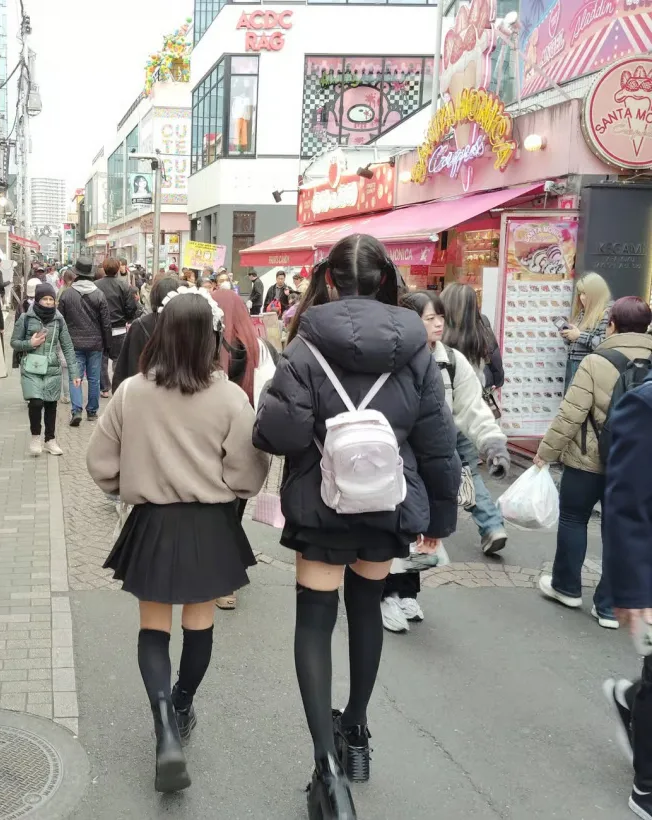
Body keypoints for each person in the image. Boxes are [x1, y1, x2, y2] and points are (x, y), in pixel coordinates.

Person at [252, 234, 459, 818]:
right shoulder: (418, 347)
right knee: (365, 610)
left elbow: (279, 434)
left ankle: (325, 768)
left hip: (322, 504)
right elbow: (437, 443)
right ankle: (359, 733)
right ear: (386, 282)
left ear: (333, 282)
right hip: (386, 504)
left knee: (315, 624)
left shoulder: (306, 345)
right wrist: (439, 517)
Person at [86, 289, 269, 794]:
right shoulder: (231, 397)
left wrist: (126, 485)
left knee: (153, 628)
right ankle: (183, 706)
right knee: (199, 625)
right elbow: (248, 472)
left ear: (162, 334)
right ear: (214, 340)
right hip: (210, 526)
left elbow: (100, 463)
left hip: (152, 523)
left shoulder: (131, 392)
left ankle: (163, 722)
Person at [381, 291, 509, 633]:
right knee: (398, 526)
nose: (438, 324)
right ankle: (385, 594)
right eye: (429, 318)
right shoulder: (391, 359)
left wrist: (493, 442)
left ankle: (407, 591)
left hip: (435, 458)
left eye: (440, 317)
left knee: (424, 528)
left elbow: (472, 406)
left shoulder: (452, 360)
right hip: (395, 458)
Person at [535, 296, 652, 630]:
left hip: (588, 459)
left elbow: (570, 414)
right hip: (637, 467)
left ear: (612, 324)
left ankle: (567, 588)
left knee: (573, 518)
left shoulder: (595, 361)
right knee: (619, 529)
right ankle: (608, 607)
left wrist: (547, 451)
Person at [600, 358, 652, 820]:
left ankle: (630, 698)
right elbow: (626, 502)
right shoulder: (645, 404)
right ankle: (647, 786)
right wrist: (634, 589)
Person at [211, 287, 279, 611]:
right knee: (233, 510)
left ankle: (223, 577)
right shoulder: (260, 348)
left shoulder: (205, 344)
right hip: (245, 437)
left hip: (209, 439)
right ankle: (227, 575)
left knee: (214, 511)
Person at [441, 283, 510, 556]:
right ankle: (492, 525)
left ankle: (420, 533)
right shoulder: (482, 334)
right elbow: (498, 373)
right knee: (467, 473)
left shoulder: (440, 339)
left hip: (443, 419)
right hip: (470, 419)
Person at [11, 283, 80, 456]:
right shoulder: (26, 318)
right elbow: (14, 342)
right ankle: (35, 438)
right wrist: (30, 343)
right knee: (35, 402)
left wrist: (74, 373)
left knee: (50, 404)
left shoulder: (59, 319)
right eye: (45, 299)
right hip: (31, 367)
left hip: (52, 367)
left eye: (51, 299)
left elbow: (68, 346)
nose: (48, 302)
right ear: (38, 299)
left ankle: (50, 440)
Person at [59, 257, 112, 426]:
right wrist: (108, 344)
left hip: (73, 344)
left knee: (75, 377)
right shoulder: (99, 295)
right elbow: (106, 323)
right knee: (94, 379)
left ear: (76, 274)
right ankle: (92, 411)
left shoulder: (67, 294)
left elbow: (60, 320)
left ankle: (76, 411)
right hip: (96, 343)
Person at [112, 276, 183, 391]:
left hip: (144, 390)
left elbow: (129, 362)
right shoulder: (186, 324)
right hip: (177, 390)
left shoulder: (140, 325)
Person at [97, 256, 140, 397]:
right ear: (117, 269)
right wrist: (126, 319)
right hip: (119, 328)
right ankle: (118, 386)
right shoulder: (124, 286)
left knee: (102, 359)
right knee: (119, 359)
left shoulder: (96, 285)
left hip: (100, 328)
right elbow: (131, 307)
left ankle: (104, 388)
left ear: (104, 268)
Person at [563, 272, 612, 386]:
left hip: (590, 369)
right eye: (580, 293)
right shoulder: (582, 313)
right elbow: (575, 343)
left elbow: (604, 344)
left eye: (585, 293)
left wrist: (579, 336)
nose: (581, 297)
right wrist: (568, 335)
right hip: (573, 364)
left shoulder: (605, 314)